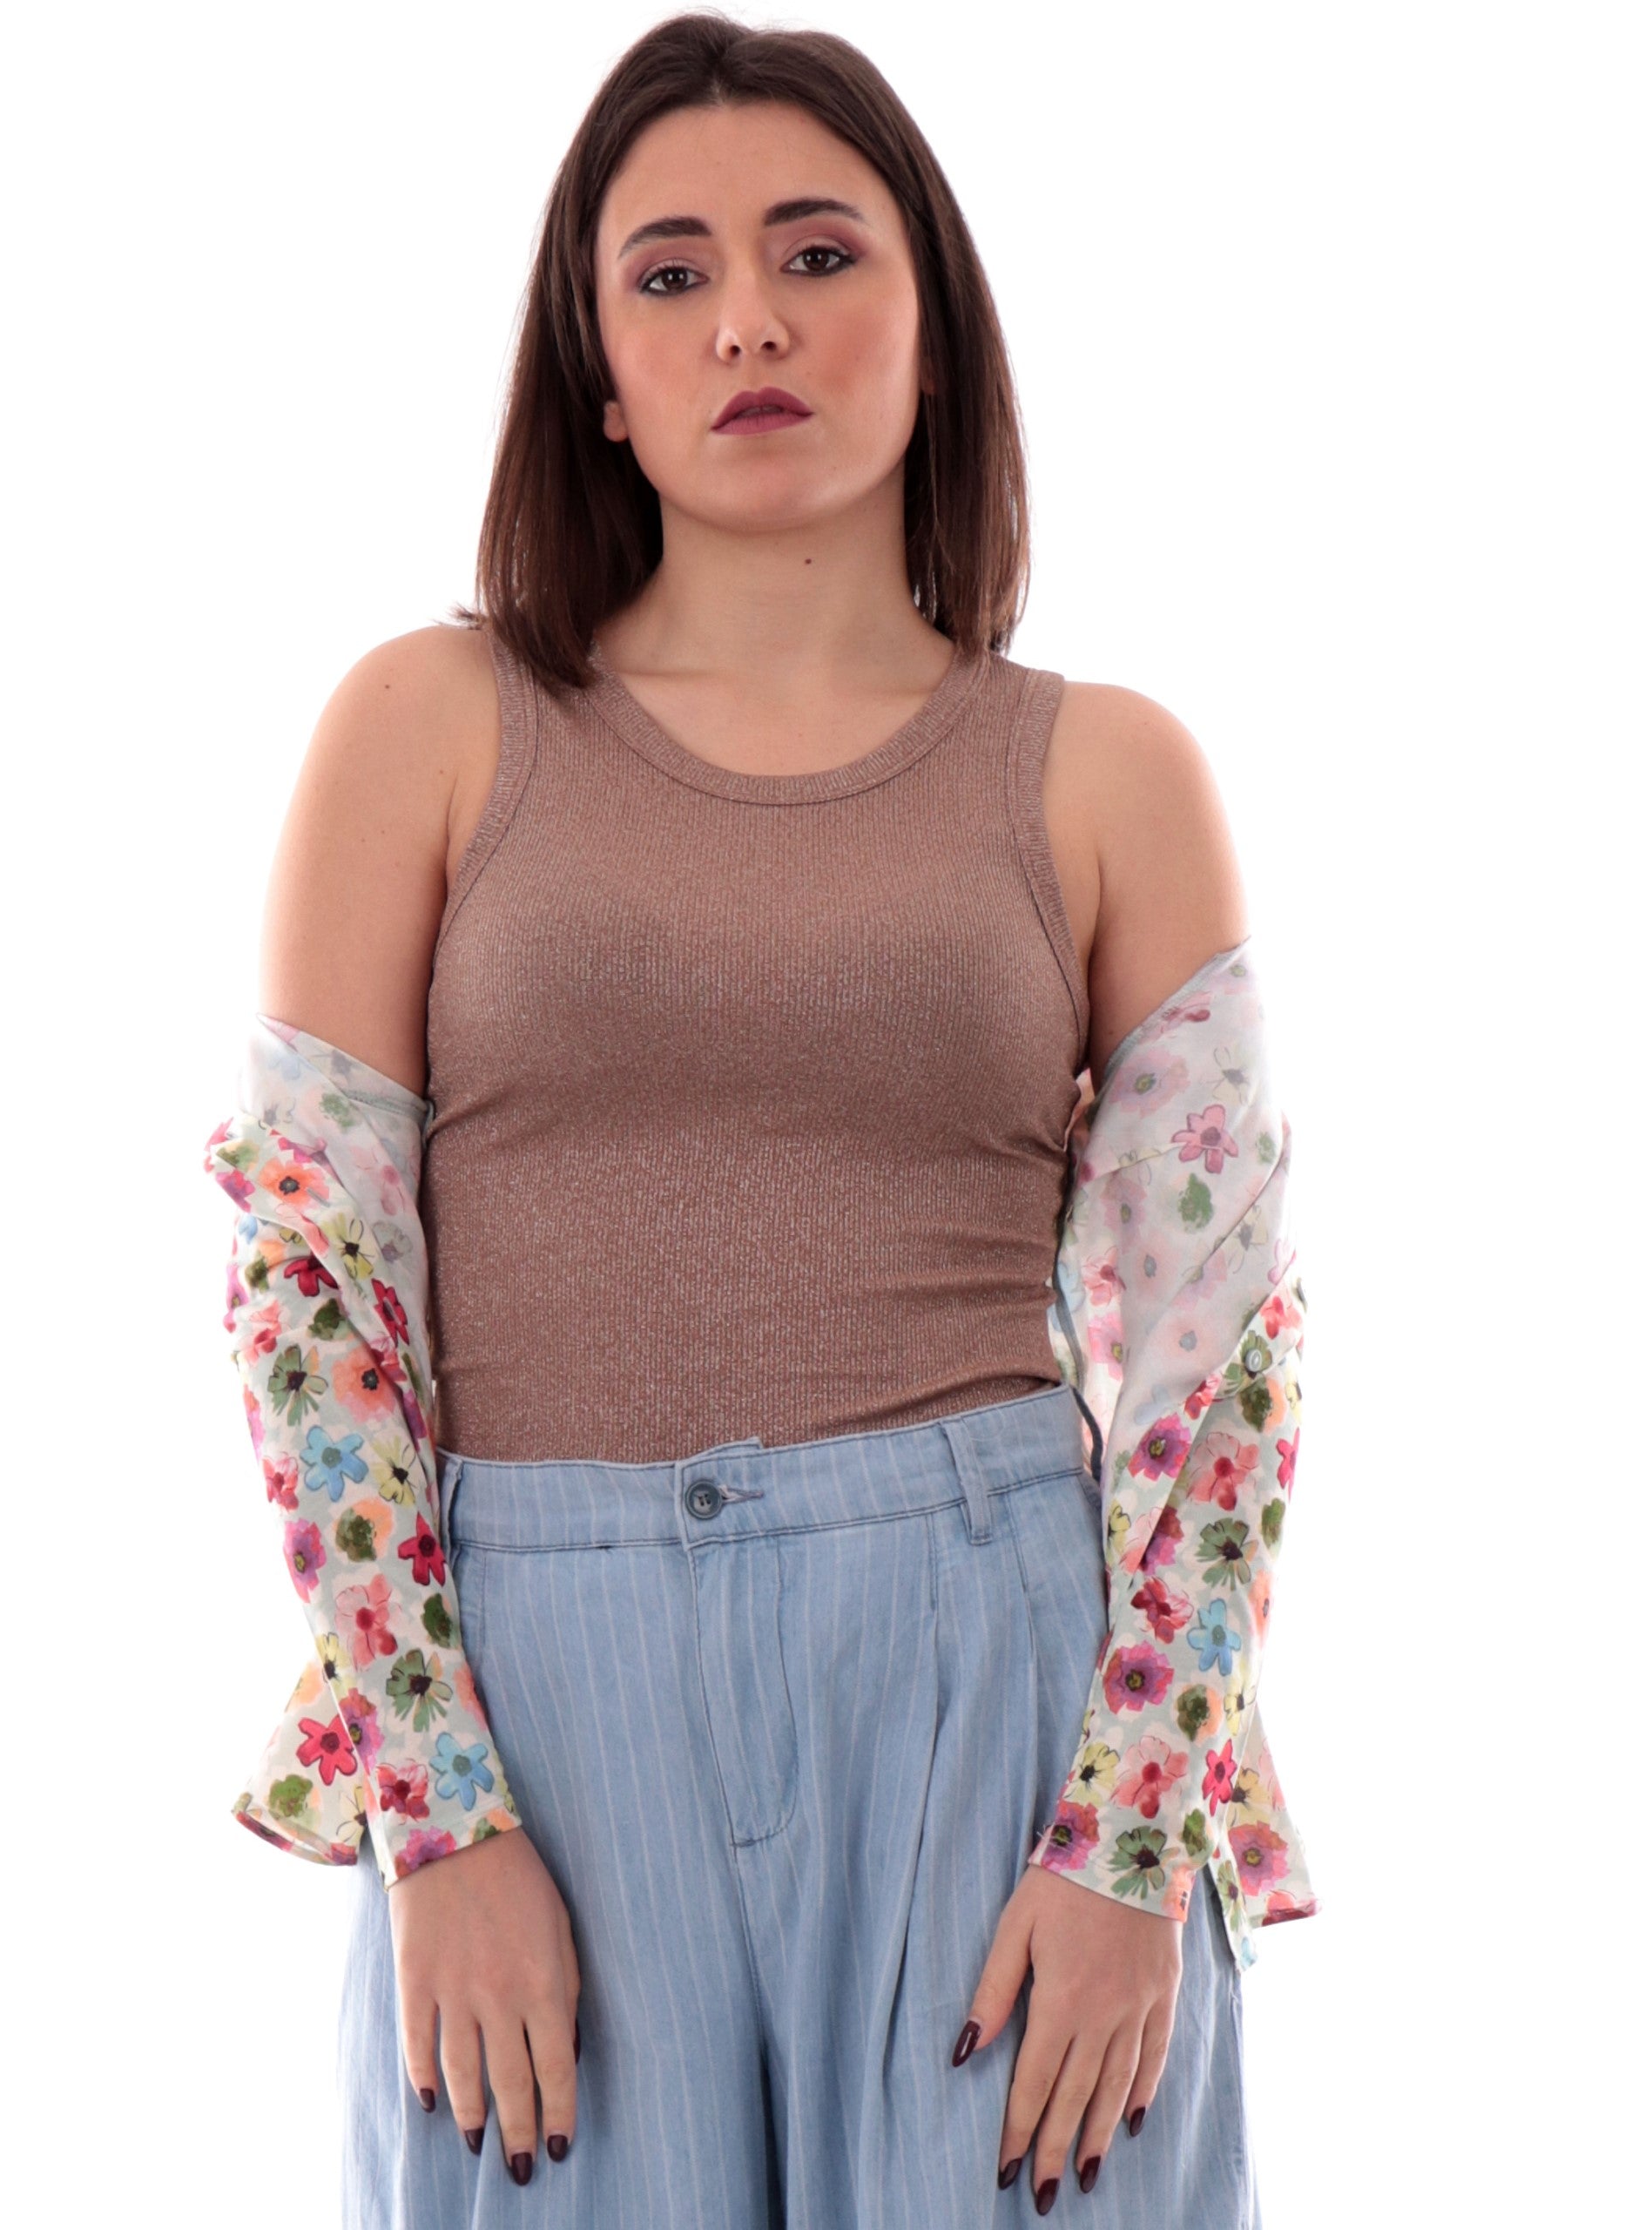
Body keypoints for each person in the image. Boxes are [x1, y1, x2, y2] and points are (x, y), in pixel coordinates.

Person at [226, 13, 1318, 2222]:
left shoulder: (1107, 774)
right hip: (540, 1698)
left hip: (991, 1691)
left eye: (820, 254)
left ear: (934, 322)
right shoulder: (429, 726)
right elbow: (310, 1289)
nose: (749, 319)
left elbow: (1221, 1359)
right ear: (597, 373)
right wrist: (439, 1816)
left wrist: (1127, 1844)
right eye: (671, 272)